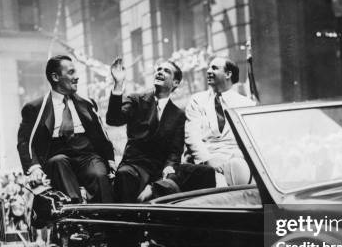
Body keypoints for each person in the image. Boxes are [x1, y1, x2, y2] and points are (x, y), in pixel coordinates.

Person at [17, 55, 116, 203]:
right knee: (59, 162)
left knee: (98, 174)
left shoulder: (87, 104)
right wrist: (35, 168)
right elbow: (25, 142)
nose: (77, 77)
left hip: (86, 154)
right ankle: (75, 213)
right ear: (55, 77)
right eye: (71, 72)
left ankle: (103, 219)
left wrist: (110, 160)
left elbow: (102, 135)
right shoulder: (35, 108)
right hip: (57, 155)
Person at [106, 58, 186, 203]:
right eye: (159, 69)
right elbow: (114, 119)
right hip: (134, 166)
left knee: (196, 175)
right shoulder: (136, 100)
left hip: (160, 170)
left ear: (175, 83)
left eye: (166, 71)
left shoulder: (178, 115)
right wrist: (118, 84)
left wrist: (166, 172)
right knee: (125, 175)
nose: (160, 72)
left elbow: (175, 152)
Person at [185, 56, 256, 186]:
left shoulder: (247, 104)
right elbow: (192, 136)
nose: (208, 71)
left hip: (237, 160)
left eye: (214, 68)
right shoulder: (197, 100)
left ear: (228, 74)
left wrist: (237, 159)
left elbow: (252, 140)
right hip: (207, 160)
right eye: (208, 67)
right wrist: (208, 160)